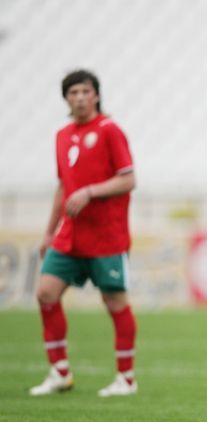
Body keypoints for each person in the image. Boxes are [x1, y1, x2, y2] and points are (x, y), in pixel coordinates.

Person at [30, 70, 138, 398]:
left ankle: (126, 378)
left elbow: (128, 179)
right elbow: (63, 187)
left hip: (107, 237)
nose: (79, 98)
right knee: (45, 293)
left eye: (85, 91)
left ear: (96, 96)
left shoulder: (109, 130)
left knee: (114, 302)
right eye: (73, 92)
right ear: (66, 98)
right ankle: (60, 372)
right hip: (69, 236)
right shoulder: (63, 135)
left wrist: (90, 191)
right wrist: (49, 232)